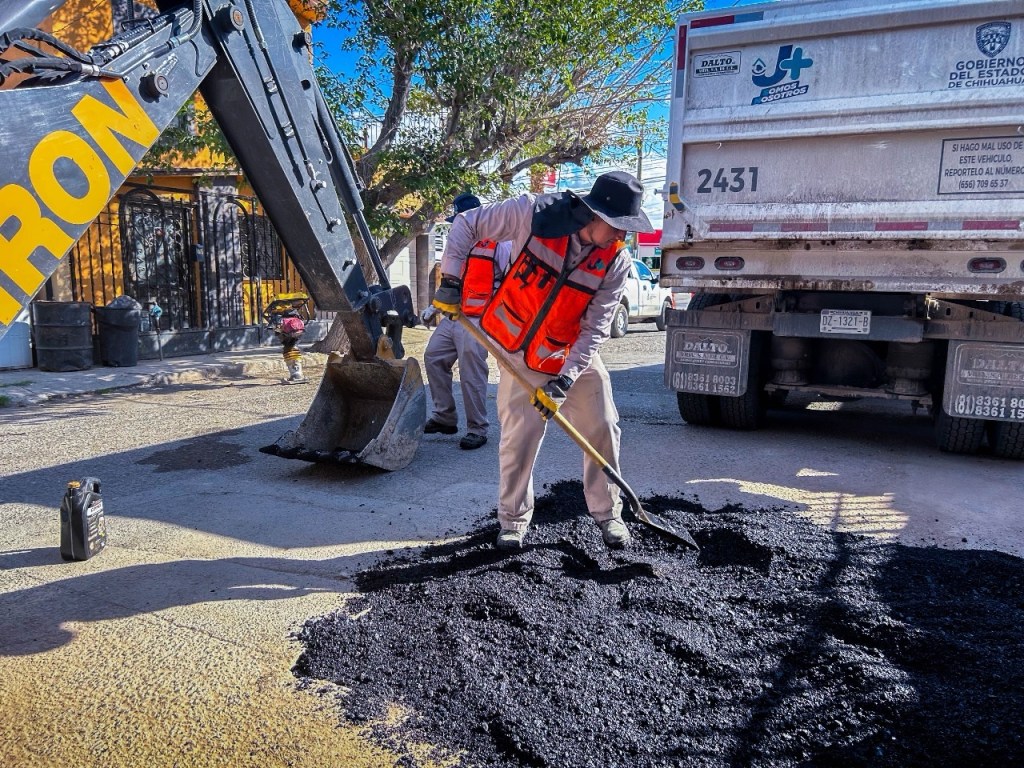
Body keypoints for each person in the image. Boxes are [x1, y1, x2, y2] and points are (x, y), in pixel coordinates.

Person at [433, 171, 654, 550]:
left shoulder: (616, 261)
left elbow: (596, 327)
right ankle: (513, 522)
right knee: (519, 438)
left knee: (603, 425)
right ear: (593, 214)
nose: (622, 236)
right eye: (619, 227)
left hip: (570, 353)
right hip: (519, 352)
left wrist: (565, 379)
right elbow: (466, 223)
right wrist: (451, 281)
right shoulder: (530, 214)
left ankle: (609, 515)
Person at [422, 193, 512, 450]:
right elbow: (449, 283)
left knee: (472, 373)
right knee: (433, 357)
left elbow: (509, 285)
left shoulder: (499, 244)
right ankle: (445, 416)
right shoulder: (456, 244)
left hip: (479, 320)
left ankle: (477, 428)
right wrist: (433, 308)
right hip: (453, 315)